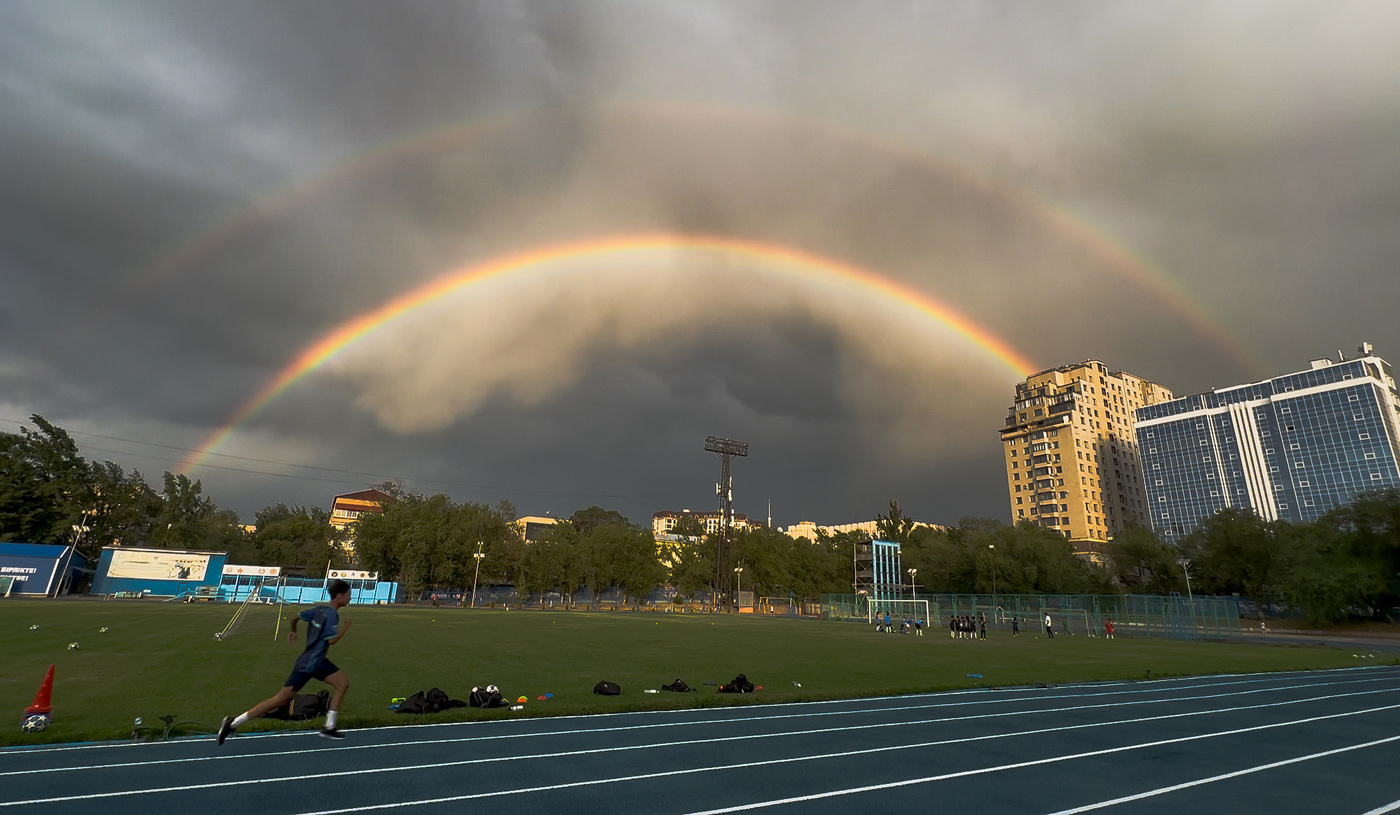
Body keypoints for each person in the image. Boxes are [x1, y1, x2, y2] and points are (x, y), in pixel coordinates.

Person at [218, 580, 354, 743]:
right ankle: (328, 728)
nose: (349, 598)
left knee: (339, 684)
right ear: (339, 595)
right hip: (313, 664)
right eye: (348, 595)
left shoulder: (318, 609)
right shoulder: (332, 614)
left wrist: (293, 632)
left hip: (310, 662)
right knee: (282, 698)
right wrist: (346, 627)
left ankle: (233, 723)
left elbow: (294, 617)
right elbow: (331, 641)